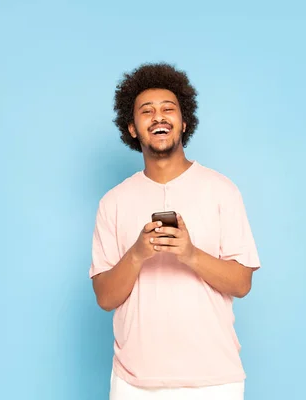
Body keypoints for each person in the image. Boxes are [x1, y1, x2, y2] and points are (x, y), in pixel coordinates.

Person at [89, 62, 260, 400]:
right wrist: (137, 254)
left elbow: (242, 283)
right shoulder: (113, 202)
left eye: (168, 109)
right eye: (146, 111)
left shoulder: (222, 190)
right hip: (134, 384)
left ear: (184, 122)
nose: (159, 116)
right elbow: (105, 297)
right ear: (132, 128)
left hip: (215, 381)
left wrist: (190, 254)